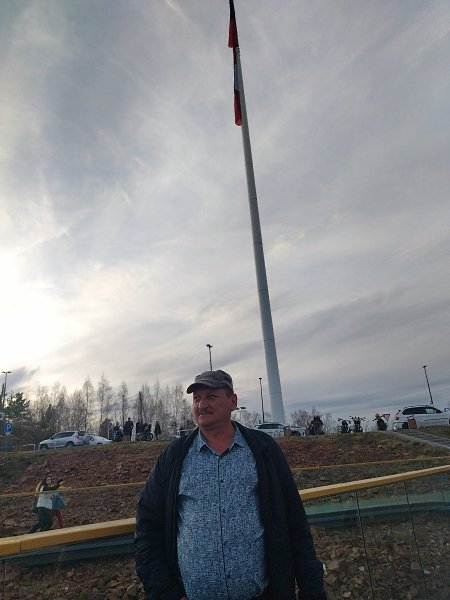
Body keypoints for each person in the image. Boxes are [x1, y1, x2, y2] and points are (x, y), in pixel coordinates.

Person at [135, 369, 327, 600]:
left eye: (211, 396)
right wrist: (166, 593)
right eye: (197, 398)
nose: (202, 405)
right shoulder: (174, 457)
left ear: (233, 401)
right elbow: (147, 526)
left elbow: (295, 522)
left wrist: (311, 589)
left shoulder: (264, 450)